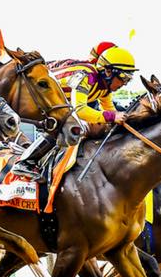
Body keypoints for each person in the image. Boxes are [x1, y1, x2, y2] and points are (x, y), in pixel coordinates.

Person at [11, 46, 138, 180]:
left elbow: (109, 109)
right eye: (124, 77)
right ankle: (24, 162)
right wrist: (112, 116)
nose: (125, 84)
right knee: (64, 126)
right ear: (108, 71)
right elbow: (80, 110)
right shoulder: (87, 75)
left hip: (59, 106)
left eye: (129, 79)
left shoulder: (105, 88)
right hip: (41, 100)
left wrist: (125, 120)